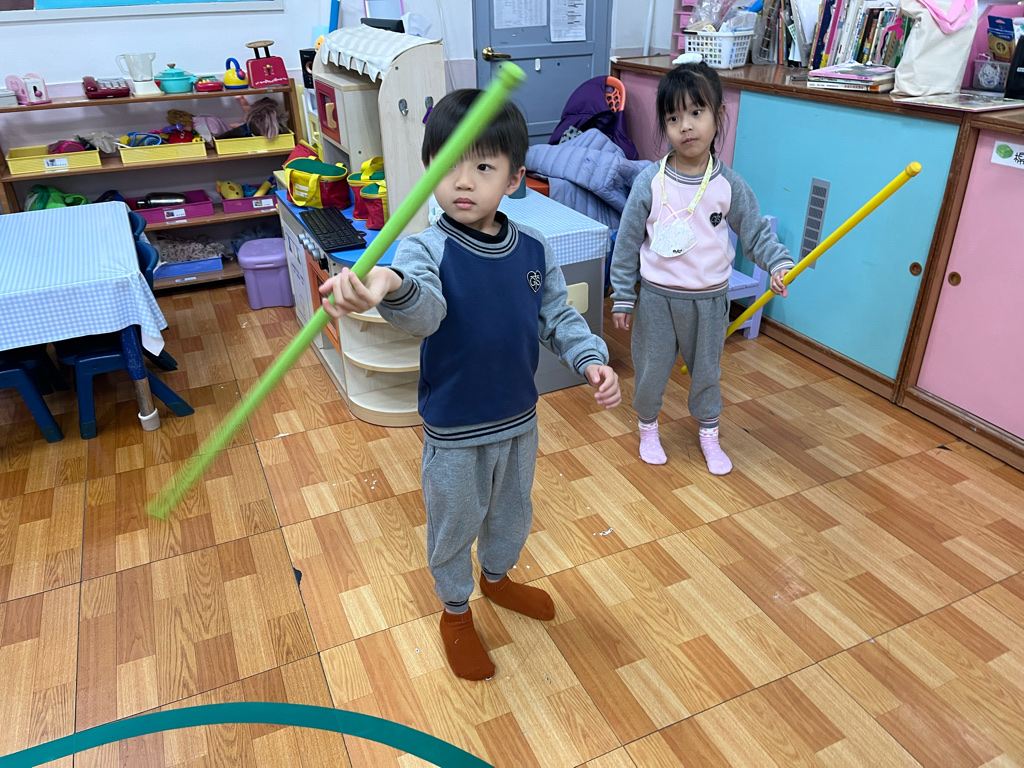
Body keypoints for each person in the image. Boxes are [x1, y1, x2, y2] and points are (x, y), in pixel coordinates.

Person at [320, 90, 621, 680]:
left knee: (511, 514)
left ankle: (498, 579)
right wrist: (387, 286)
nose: (463, 181)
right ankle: (455, 612)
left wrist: (590, 359)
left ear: (514, 179)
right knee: (454, 524)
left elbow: (557, 316)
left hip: (518, 420)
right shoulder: (424, 248)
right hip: (455, 430)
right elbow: (425, 311)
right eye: (448, 164)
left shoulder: (533, 248)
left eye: (483, 166)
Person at [609, 55, 793, 474]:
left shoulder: (729, 185)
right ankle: (648, 427)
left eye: (696, 112)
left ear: (718, 114)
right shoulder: (650, 181)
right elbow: (627, 242)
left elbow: (756, 233)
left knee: (706, 372)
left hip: (710, 302)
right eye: (674, 118)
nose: (686, 126)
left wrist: (778, 264)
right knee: (651, 370)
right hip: (656, 299)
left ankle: (709, 433)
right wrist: (622, 295)